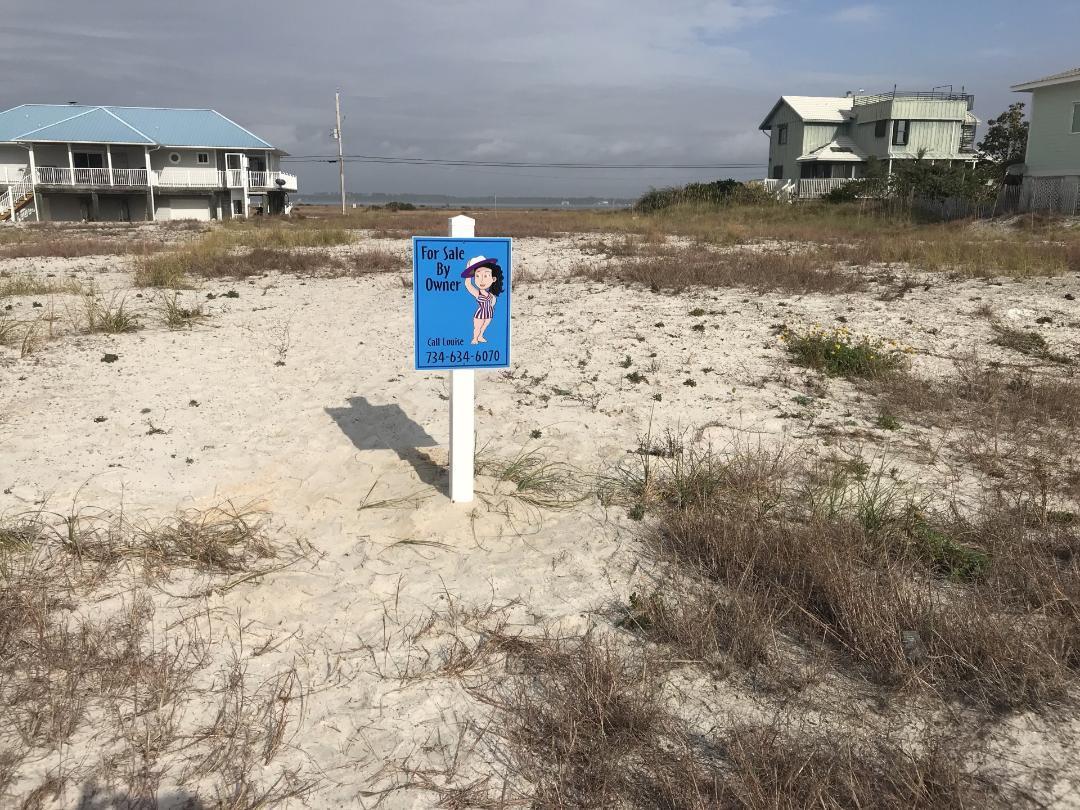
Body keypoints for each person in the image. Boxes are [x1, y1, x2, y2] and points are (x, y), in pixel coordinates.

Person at [461, 255, 504, 345]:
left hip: (489, 313)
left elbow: (492, 302)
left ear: (493, 279)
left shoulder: (491, 294)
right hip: (480, 314)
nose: (481, 280)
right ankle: (475, 338)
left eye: (485, 276)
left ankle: (480, 336)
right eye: (477, 276)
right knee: (477, 327)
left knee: (484, 326)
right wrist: (468, 268)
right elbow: (468, 284)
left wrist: (492, 307)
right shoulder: (478, 293)